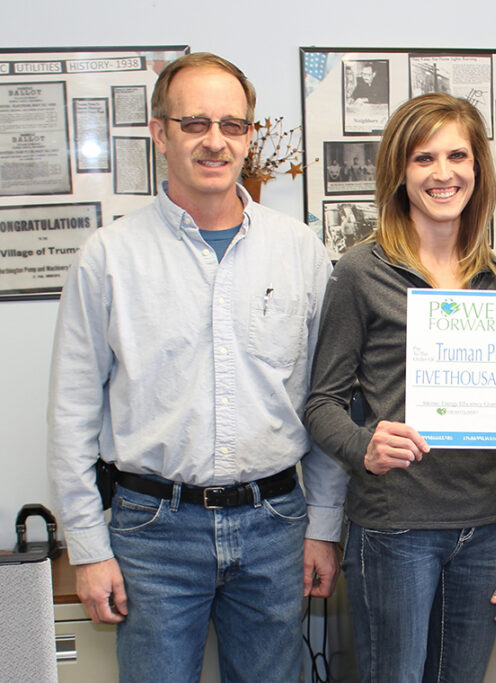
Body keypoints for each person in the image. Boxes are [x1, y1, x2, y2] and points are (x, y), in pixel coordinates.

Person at [47, 52, 348, 682]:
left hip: (276, 527)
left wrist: (323, 525)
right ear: (160, 133)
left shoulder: (300, 250)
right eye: (195, 124)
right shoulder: (108, 258)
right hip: (153, 533)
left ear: (248, 137)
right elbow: (72, 414)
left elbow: (327, 403)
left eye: (233, 126)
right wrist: (88, 549)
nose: (216, 141)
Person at [304, 92, 496, 682]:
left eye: (457, 155)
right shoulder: (361, 271)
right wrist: (365, 446)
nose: (443, 173)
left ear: (478, 167)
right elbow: (321, 403)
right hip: (396, 527)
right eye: (423, 158)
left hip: (485, 529)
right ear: (399, 172)